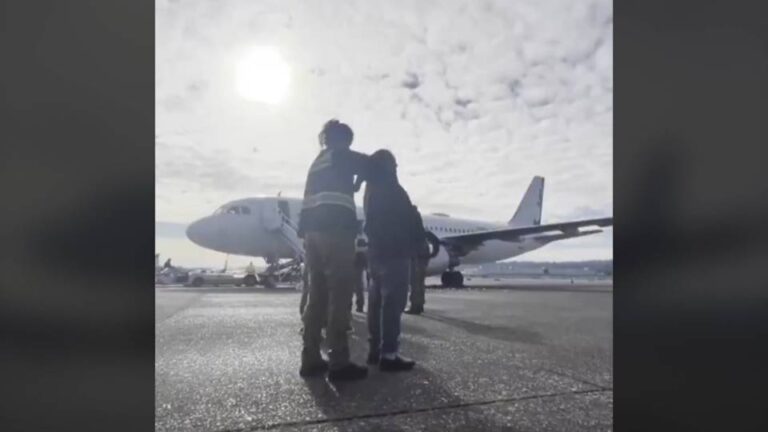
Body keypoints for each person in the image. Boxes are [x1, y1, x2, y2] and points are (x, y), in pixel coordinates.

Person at [297, 119, 370, 381]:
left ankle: (311, 358)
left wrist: (353, 182)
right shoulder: (340, 154)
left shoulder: (319, 161)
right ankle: (339, 361)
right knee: (340, 294)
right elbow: (372, 164)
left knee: (317, 296)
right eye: (348, 140)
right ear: (342, 139)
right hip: (335, 230)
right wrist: (360, 178)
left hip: (312, 233)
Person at [364, 149, 425, 372]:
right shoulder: (394, 190)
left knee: (376, 304)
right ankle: (389, 355)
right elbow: (406, 220)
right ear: (389, 166)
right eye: (394, 165)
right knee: (393, 304)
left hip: (376, 254)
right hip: (396, 254)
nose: (397, 169)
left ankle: (374, 351)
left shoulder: (370, 190)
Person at [405, 207, 430, 315]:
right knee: (420, 280)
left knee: (415, 280)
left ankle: (415, 306)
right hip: (423, 251)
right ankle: (420, 304)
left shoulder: (410, 226)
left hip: (416, 252)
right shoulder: (420, 228)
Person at [352, 239, 367, 313]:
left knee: (356, 285)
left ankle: (359, 305)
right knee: (358, 285)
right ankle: (360, 305)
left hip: (355, 257)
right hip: (359, 258)